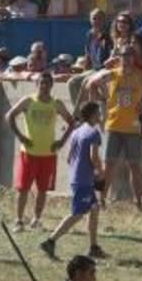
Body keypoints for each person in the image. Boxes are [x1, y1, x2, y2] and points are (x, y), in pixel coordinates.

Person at [88, 46, 142, 210]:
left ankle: (139, 201)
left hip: (133, 127)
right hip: (113, 125)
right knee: (109, 165)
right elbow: (91, 84)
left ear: (134, 57)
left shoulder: (140, 75)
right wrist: (101, 103)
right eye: (124, 55)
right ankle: (102, 199)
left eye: (130, 55)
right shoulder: (112, 74)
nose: (127, 58)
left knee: (135, 166)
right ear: (119, 57)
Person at [6, 72, 75, 231]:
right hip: (29, 152)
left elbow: (71, 122)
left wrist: (62, 141)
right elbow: (9, 116)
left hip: (48, 153)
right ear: (37, 85)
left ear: (52, 85)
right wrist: (21, 136)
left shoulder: (56, 103)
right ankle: (19, 220)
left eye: (47, 83)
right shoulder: (29, 101)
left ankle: (36, 219)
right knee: (23, 188)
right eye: (41, 83)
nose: (44, 86)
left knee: (43, 189)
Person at [39, 101, 105, 260]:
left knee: (94, 209)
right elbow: (93, 156)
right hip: (83, 180)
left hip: (78, 177)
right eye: (98, 113)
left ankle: (93, 247)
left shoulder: (76, 132)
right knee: (77, 214)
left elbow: (69, 158)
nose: (100, 116)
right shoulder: (93, 133)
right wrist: (100, 171)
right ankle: (50, 241)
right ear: (92, 115)